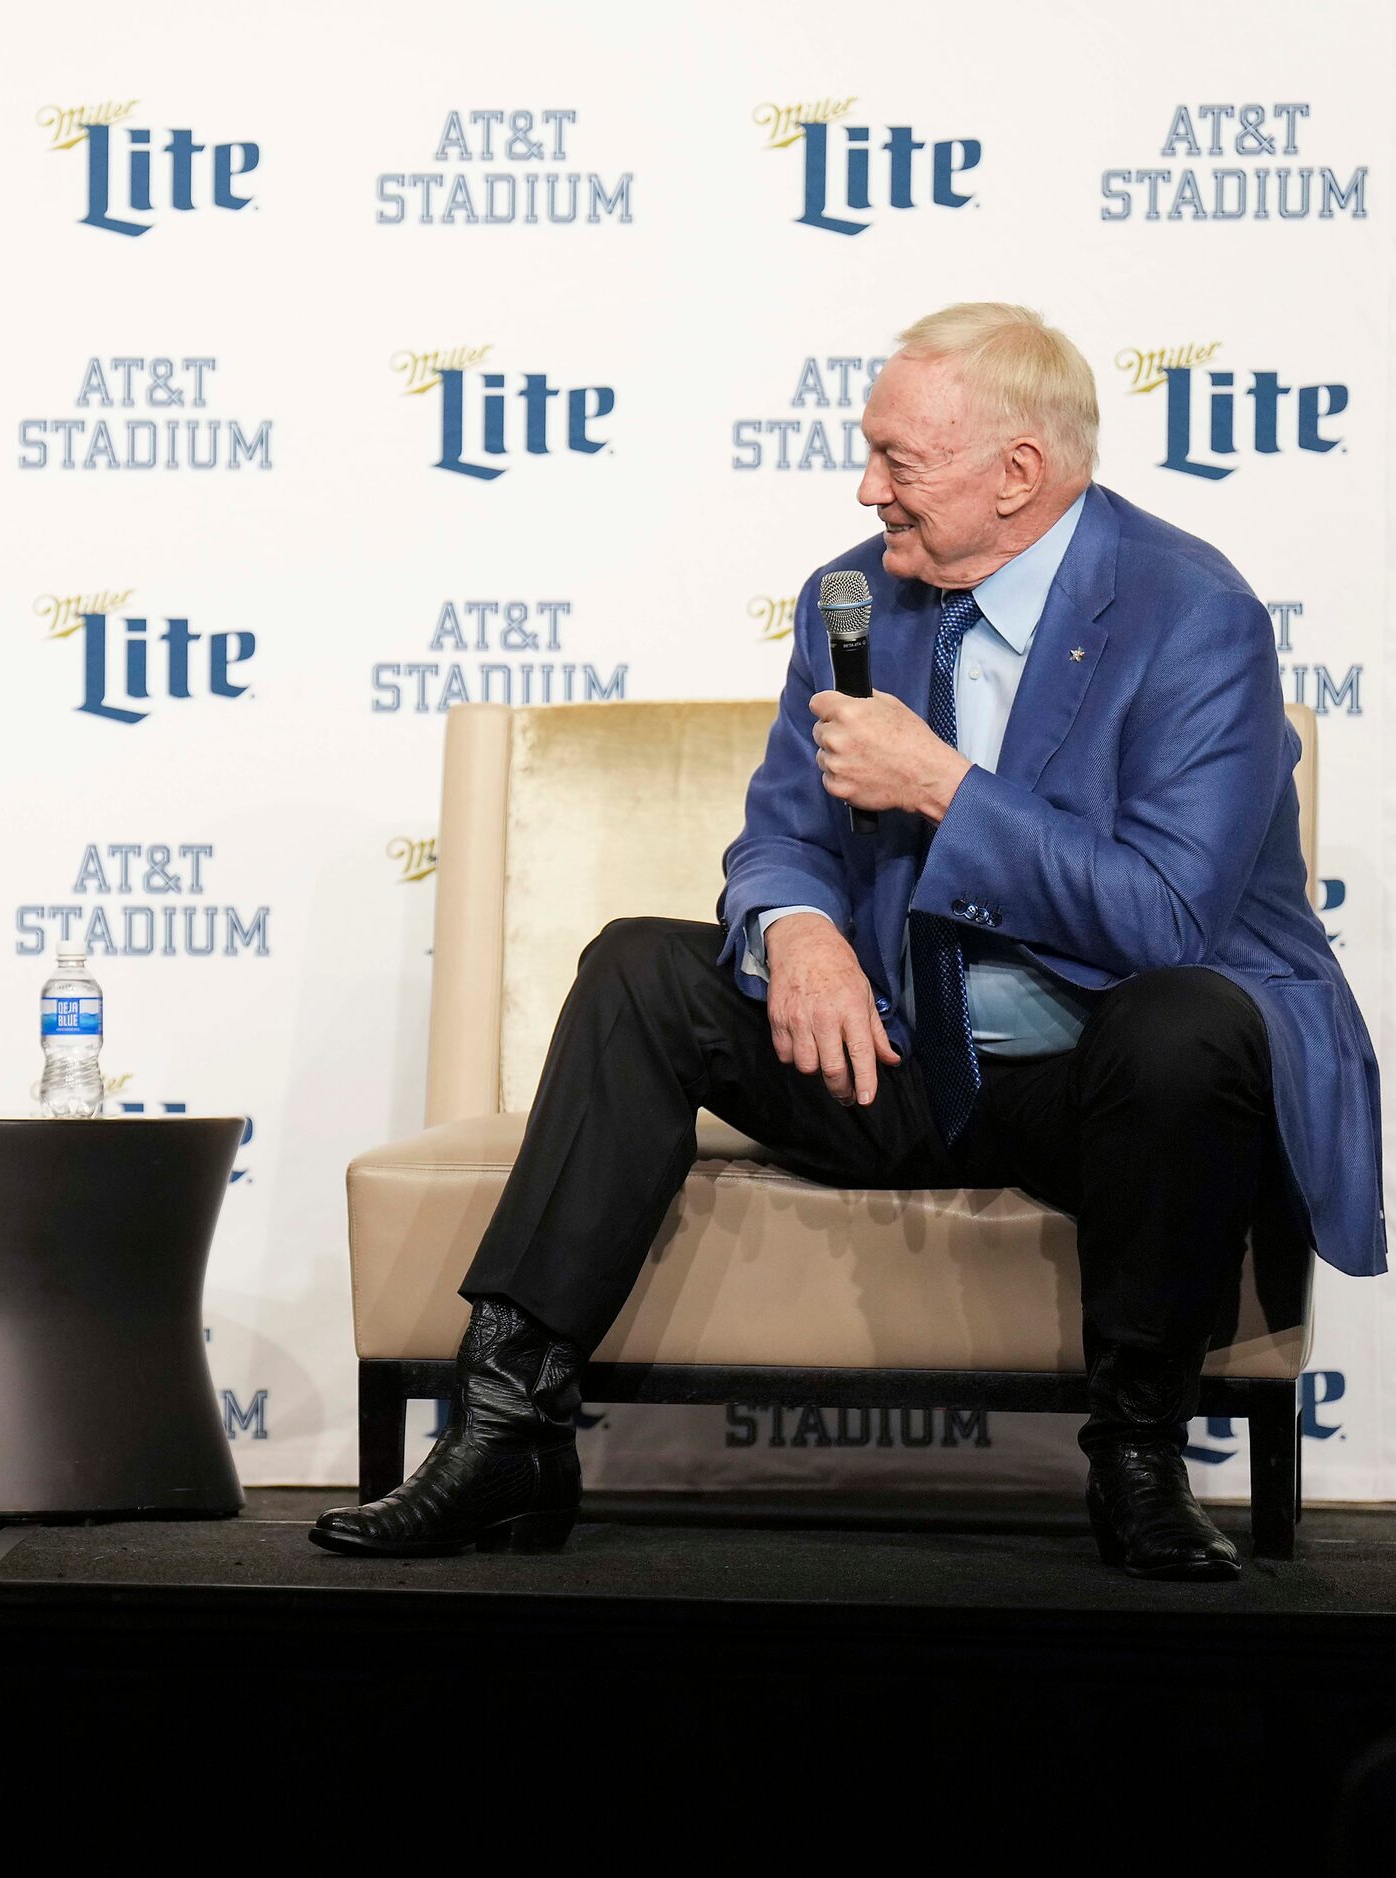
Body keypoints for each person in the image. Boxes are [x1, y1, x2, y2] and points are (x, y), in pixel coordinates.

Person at [314, 302, 1382, 1581]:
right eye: (869, 455)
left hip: (1099, 1080)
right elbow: (778, 836)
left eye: (899, 462)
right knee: (638, 970)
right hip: (897, 1047)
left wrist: (943, 787)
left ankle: (1141, 1455)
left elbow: (1166, 917)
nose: (867, 487)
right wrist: (803, 928)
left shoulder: (1190, 612)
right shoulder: (856, 595)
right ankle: (507, 1426)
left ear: (1019, 474)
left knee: (1190, 1023)